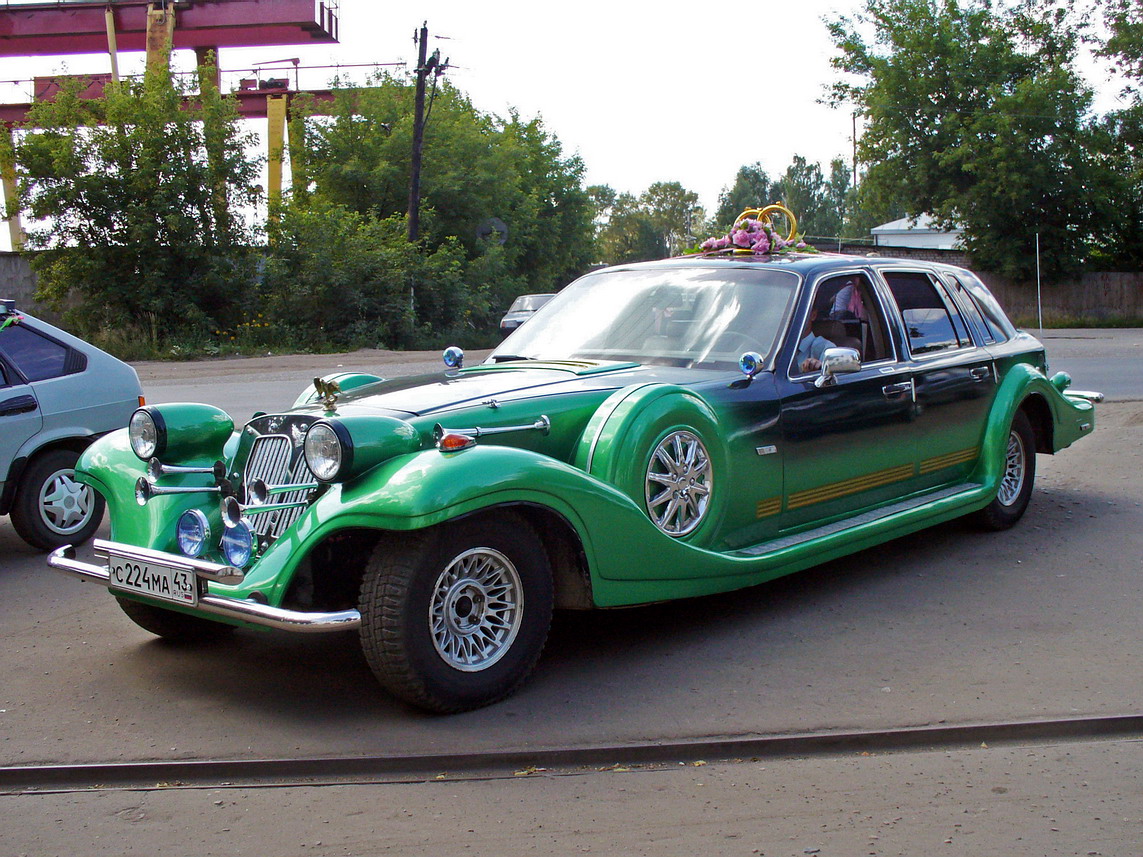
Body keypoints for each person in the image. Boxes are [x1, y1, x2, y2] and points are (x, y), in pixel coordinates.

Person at [794, 306, 835, 374]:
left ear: (813, 315)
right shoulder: (775, 349)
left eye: (798, 312)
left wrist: (816, 368)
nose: (791, 317)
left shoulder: (826, 349)